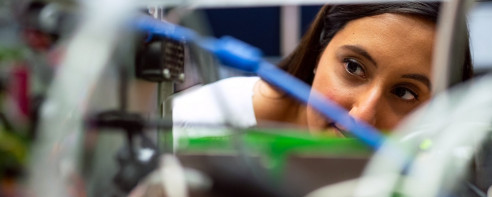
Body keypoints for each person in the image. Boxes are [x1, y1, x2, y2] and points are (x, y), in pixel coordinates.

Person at [172, 2, 473, 141]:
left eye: (404, 92)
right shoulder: (193, 127)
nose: (362, 116)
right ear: (318, 51)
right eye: (353, 68)